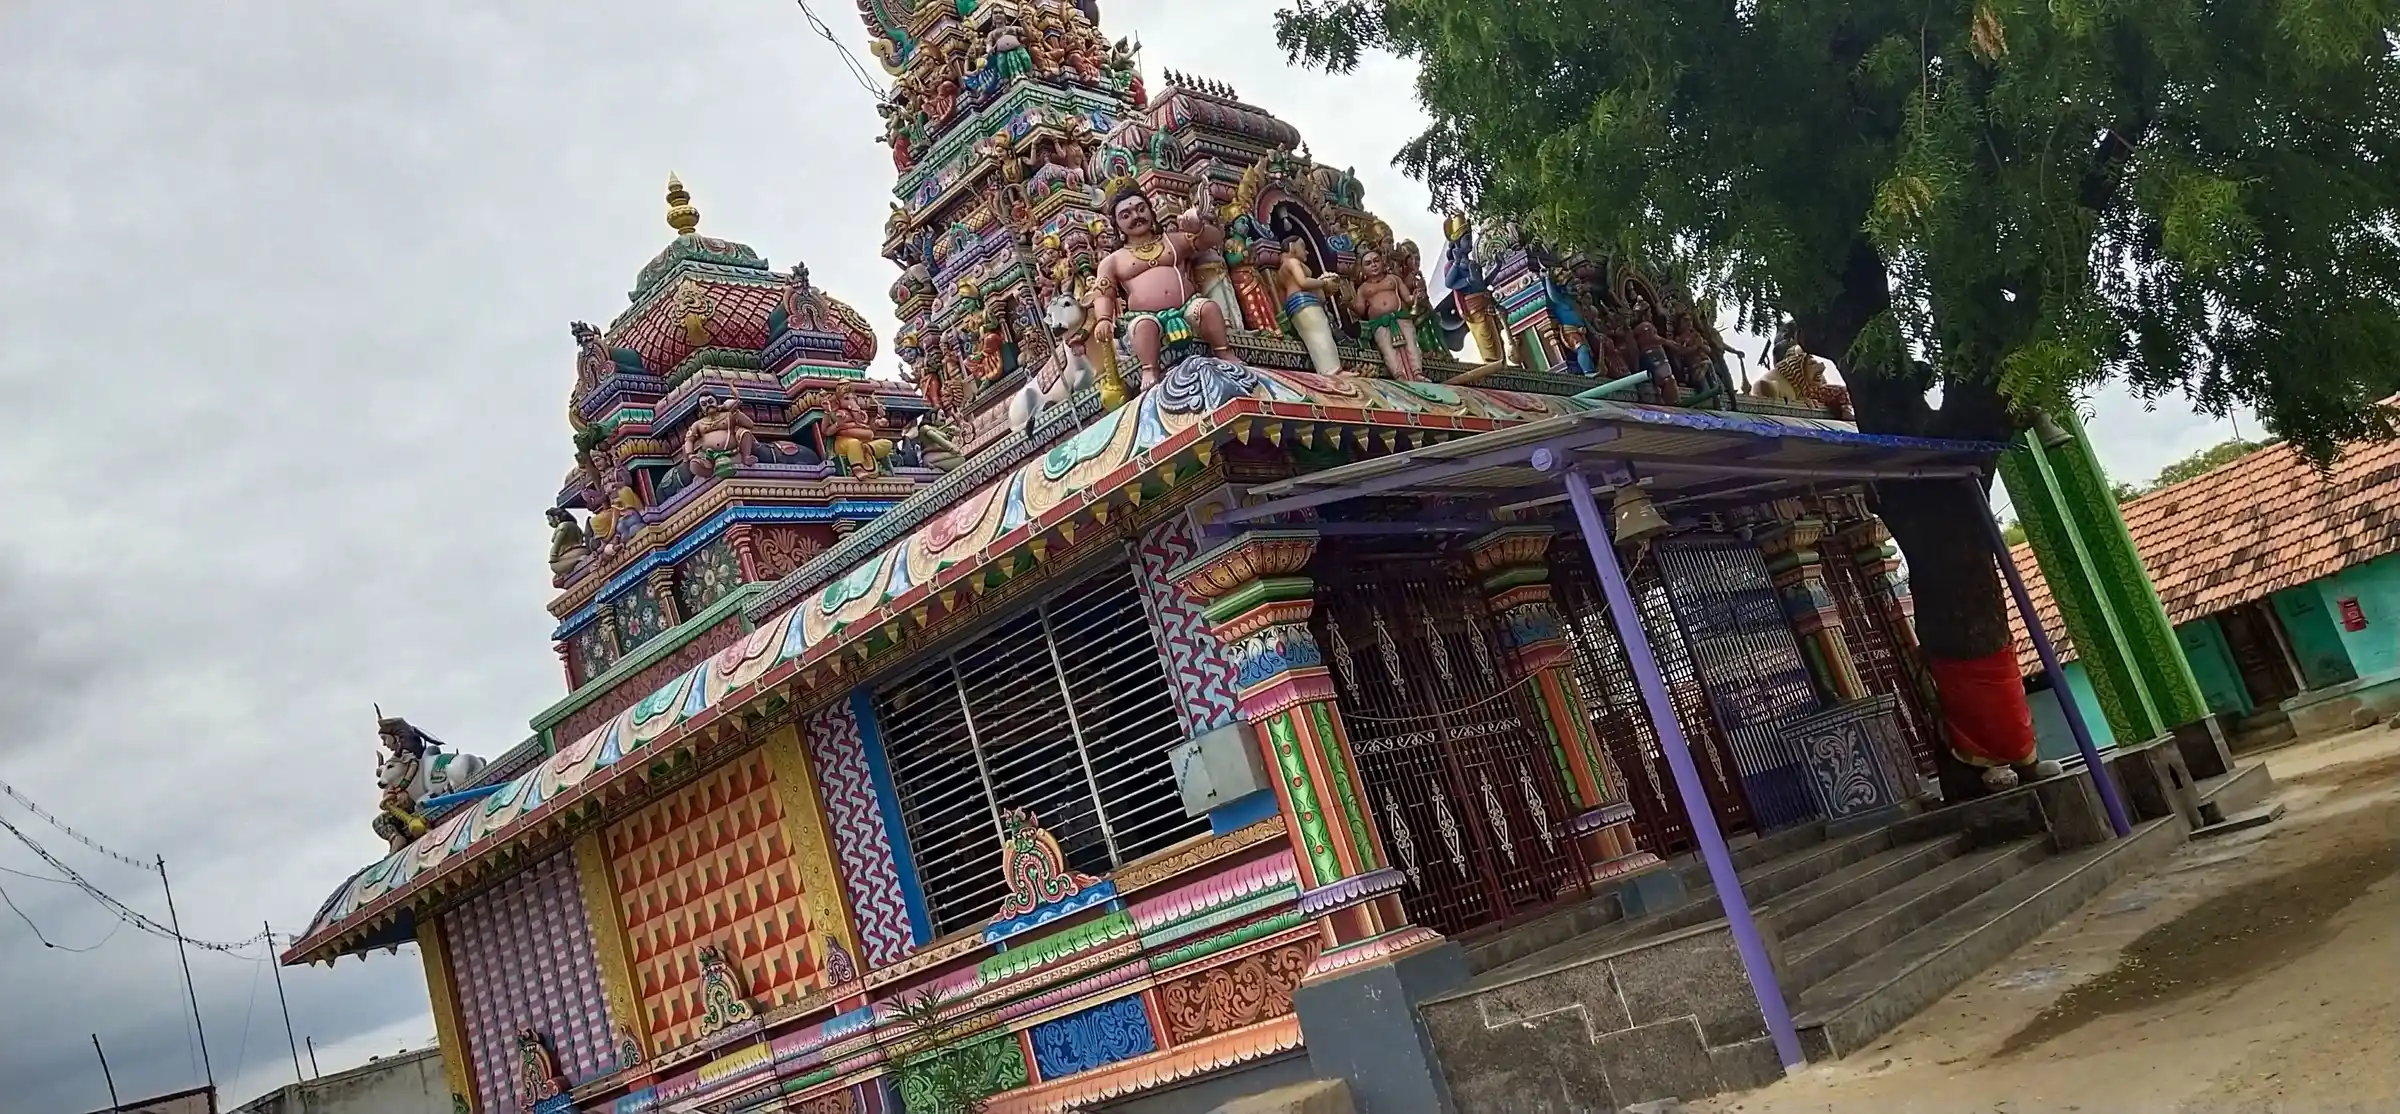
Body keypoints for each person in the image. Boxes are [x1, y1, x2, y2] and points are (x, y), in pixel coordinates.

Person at [1091, 184, 1243, 388]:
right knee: (1145, 328)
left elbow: (1213, 239)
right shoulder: (1114, 261)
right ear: (1117, 226)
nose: (1136, 216)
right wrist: (1103, 319)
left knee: (1208, 308)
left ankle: (1223, 351)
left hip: (1186, 307)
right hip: (1144, 317)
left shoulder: (1171, 242)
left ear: (1151, 212)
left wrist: (1199, 228)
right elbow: (1103, 293)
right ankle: (1150, 370)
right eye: (1126, 215)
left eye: (1140, 209)